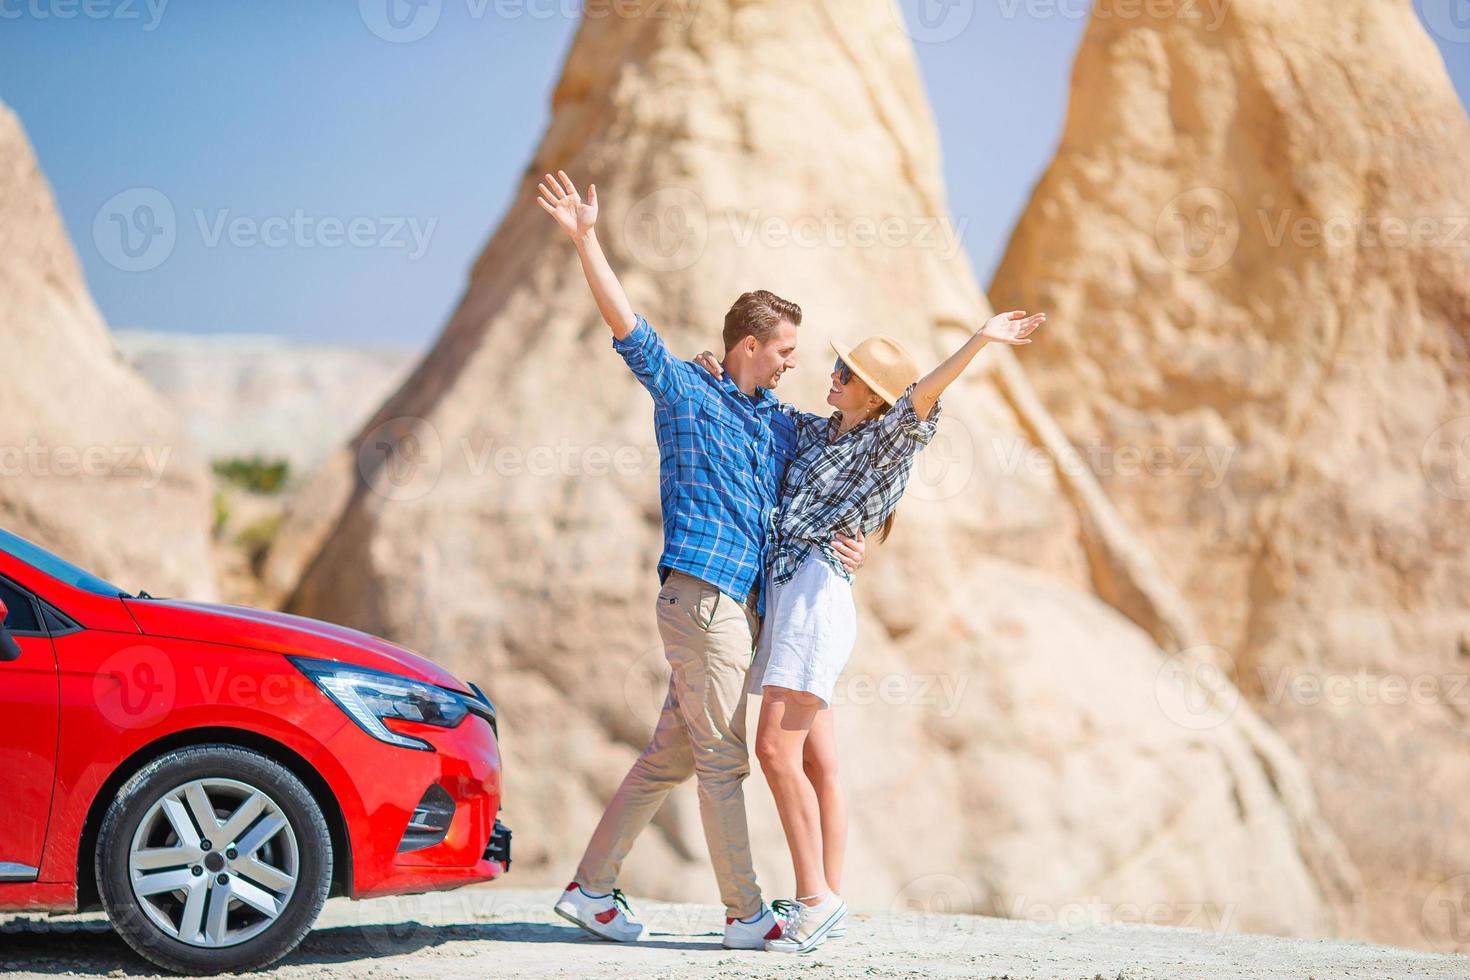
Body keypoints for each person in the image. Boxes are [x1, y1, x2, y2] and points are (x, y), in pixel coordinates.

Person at [534, 170, 866, 949]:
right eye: (783, 350)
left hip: (739, 611)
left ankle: (590, 890)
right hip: (701, 598)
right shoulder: (684, 389)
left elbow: (854, 456)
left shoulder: (781, 425)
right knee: (724, 762)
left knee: (670, 756)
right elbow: (628, 327)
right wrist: (587, 239)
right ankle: (747, 916)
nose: (791, 362)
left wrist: (861, 535)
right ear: (748, 344)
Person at [694, 308, 1045, 952]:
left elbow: (924, 396)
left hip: (815, 596)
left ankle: (813, 898)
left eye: (846, 373)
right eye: (836, 366)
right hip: (790, 595)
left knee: (774, 751)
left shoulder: (887, 438)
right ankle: (825, 897)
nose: (831, 375)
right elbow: (755, 408)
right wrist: (713, 372)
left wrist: (978, 340)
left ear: (873, 395)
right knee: (818, 760)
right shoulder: (814, 432)